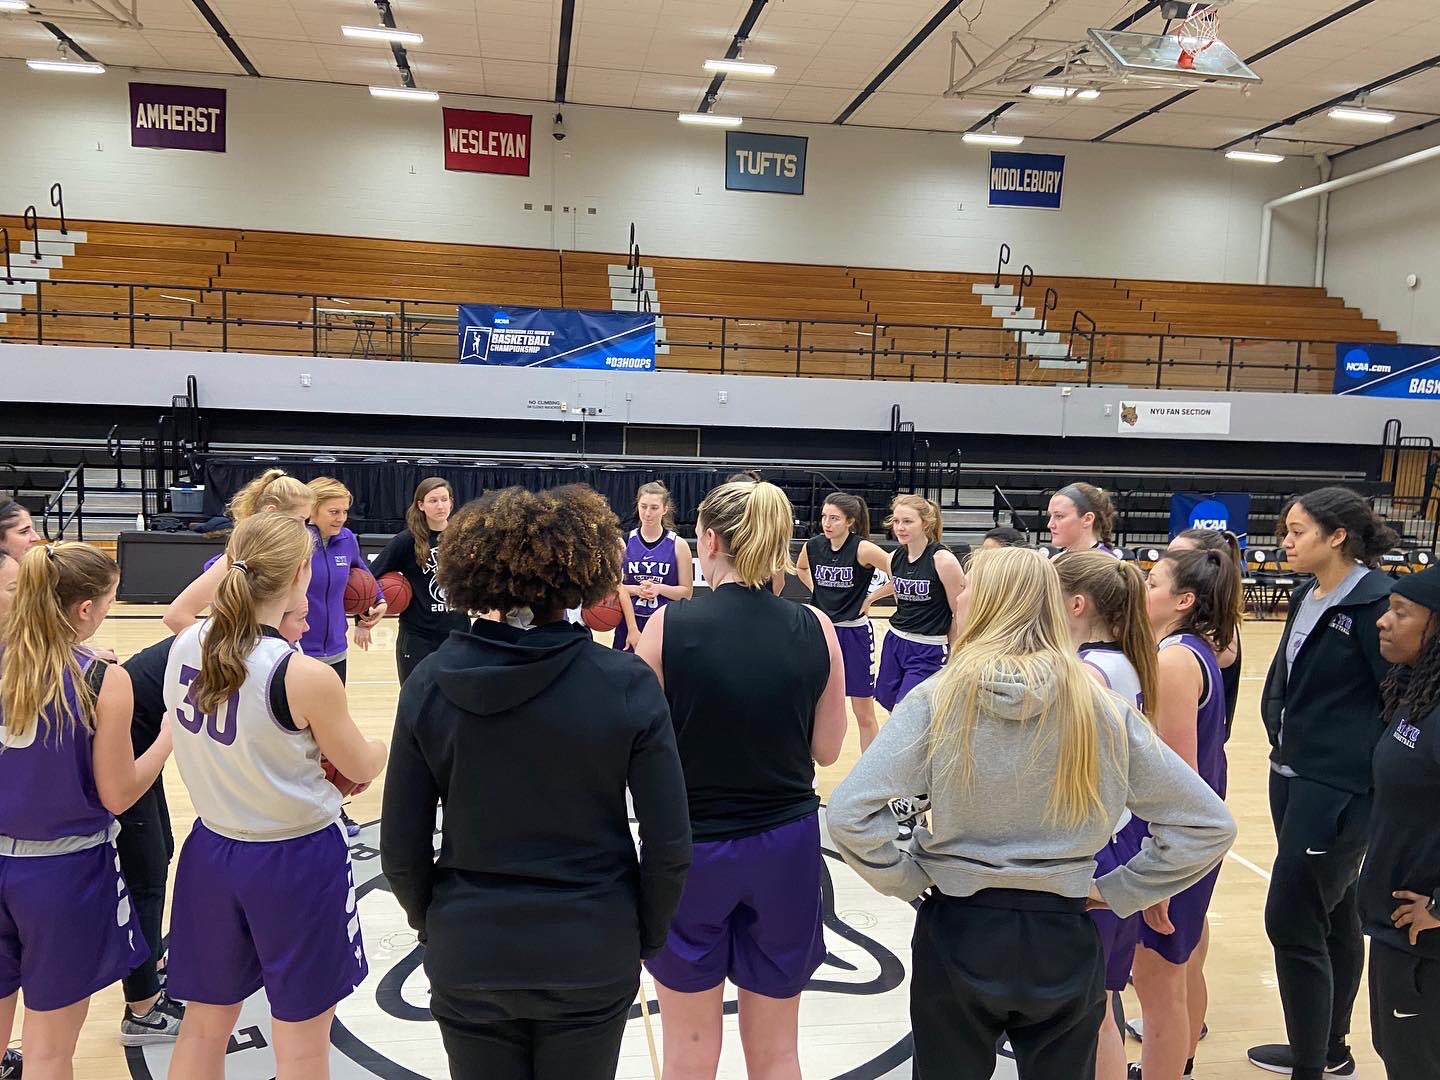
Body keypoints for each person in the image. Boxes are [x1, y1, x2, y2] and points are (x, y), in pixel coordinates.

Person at [827, 546, 1235, 1080]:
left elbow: (850, 813)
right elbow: (1207, 824)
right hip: (1063, 928)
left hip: (959, 927)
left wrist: (904, 876)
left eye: (968, 587)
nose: (958, 596)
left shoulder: (937, 698)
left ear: (989, 603)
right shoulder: (1100, 706)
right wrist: (1121, 890)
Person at [382, 485, 691, 1080]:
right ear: (586, 576)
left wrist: (438, 923)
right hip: (591, 945)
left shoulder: (428, 682)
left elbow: (399, 849)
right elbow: (670, 845)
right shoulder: (627, 684)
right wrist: (644, 936)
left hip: (470, 946)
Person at [633, 479, 847, 1080]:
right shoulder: (816, 626)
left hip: (691, 847)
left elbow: (638, 753)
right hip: (785, 846)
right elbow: (828, 750)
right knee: (778, 1053)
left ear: (708, 540)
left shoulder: (668, 625)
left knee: (690, 1052)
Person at [163, 513, 387, 1080]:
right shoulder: (302, 675)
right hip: (294, 858)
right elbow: (360, 768)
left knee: (202, 1026)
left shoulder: (183, 643)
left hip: (211, 850)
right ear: (300, 576)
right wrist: (382, 745)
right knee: (303, 1042)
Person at [0, 544, 170, 1079]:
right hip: (63, 873)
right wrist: (166, 738)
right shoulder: (101, 678)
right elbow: (118, 794)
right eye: (109, 603)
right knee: (48, 1054)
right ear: (84, 609)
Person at [113, 600, 312, 1049]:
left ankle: (151, 962)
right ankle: (142, 1009)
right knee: (144, 876)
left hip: (140, 730)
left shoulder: (227, 641)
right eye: (300, 618)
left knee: (160, 850)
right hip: (124, 737)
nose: (306, 628)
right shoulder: (232, 651)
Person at [1248, 487, 1398, 1080]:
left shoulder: (1378, 601)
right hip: (1291, 773)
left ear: (1337, 536)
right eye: (1285, 531)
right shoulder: (1306, 593)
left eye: (1297, 531)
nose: (1285, 542)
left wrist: (1368, 777)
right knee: (1332, 912)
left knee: (1291, 919)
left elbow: (1397, 699)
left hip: (1338, 787)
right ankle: (1329, 1048)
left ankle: (1310, 1064)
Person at [1133, 548, 1241, 1080]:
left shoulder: (1175, 661)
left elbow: (1180, 784)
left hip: (1180, 842)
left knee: (1158, 985)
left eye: (1153, 582)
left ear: (1183, 600)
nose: (1142, 589)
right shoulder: (1189, 650)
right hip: (1190, 837)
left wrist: (1164, 874)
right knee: (1170, 976)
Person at [1056, 550, 1159, 1080]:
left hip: (1093, 847)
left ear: (1075, 605)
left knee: (1086, 1017)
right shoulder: (1126, 661)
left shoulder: (1087, 674)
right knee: (1100, 1012)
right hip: (1123, 836)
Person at [1364, 566, 1440, 1079]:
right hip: (1397, 929)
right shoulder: (1416, 689)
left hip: (1425, 940)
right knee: (1396, 1053)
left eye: (1401, 612)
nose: (1383, 621)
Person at [163, 468, 316, 635]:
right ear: (271, 512)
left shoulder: (288, 558)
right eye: (299, 520)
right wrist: (220, 647)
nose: (303, 529)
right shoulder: (240, 559)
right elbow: (177, 616)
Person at [796, 492, 891, 749]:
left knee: (863, 713)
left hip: (854, 634)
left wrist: (871, 598)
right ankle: (807, 763)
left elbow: (901, 572)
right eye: (824, 516)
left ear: (850, 521)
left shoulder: (863, 548)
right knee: (811, 706)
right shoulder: (813, 546)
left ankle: (870, 771)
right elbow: (801, 568)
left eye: (834, 518)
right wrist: (816, 590)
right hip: (821, 632)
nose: (826, 523)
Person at [363, 476, 469, 684]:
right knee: (414, 697)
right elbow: (368, 577)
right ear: (421, 505)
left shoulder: (463, 537)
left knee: (455, 697)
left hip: (457, 633)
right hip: (417, 636)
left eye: (444, 499)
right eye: (433, 501)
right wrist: (362, 619)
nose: (440, 506)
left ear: (451, 502)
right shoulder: (406, 540)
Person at [869, 494, 965, 713]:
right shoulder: (893, 558)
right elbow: (901, 601)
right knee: (890, 707)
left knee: (908, 711)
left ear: (925, 524)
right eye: (896, 521)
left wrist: (955, 652)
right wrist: (871, 598)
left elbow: (959, 612)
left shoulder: (943, 560)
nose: (900, 527)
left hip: (928, 647)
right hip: (895, 641)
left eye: (907, 521)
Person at [301, 476, 379, 684]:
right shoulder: (294, 541)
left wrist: (378, 600)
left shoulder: (347, 539)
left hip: (337, 650)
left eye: (345, 511)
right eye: (334, 512)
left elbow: (362, 573)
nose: (341, 518)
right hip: (299, 649)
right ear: (312, 509)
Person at [1169, 528, 1245, 739]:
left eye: (1178, 556)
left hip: (1198, 749)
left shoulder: (1211, 632)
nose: (1166, 562)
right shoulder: (1197, 621)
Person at [615, 480, 693, 652]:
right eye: (643, 507)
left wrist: (659, 588)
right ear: (637, 505)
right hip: (629, 624)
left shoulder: (678, 545)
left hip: (665, 624)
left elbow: (686, 593)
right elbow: (614, 587)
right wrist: (636, 590)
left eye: (654, 508)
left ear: (665, 509)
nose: (647, 513)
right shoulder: (623, 542)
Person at [1048, 483, 1121, 555]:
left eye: (1059, 516)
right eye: (1050, 515)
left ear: (1087, 519)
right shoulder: (1057, 558)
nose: (1050, 525)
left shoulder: (1105, 561)